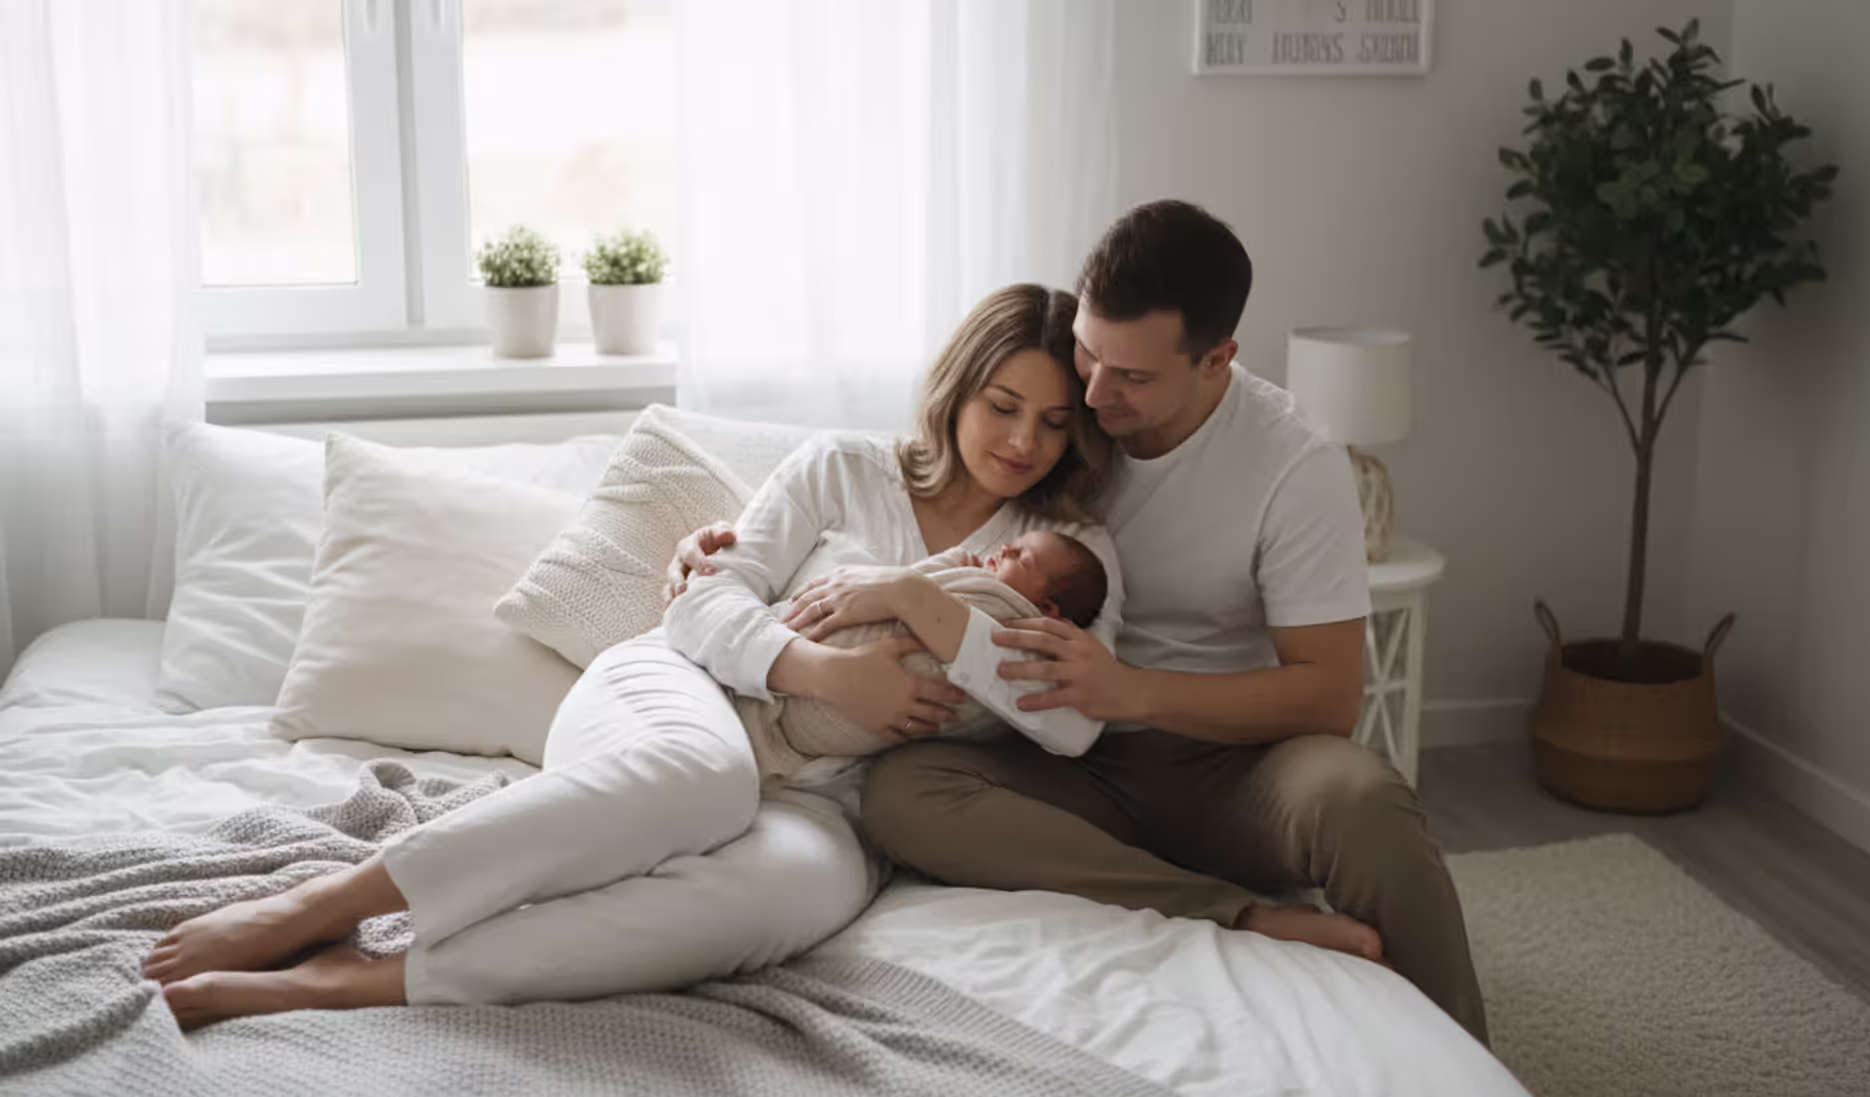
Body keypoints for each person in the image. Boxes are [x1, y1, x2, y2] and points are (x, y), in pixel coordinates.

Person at [140, 282, 1370, 1030]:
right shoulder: (841, 466)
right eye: (1003, 404)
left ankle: (356, 981)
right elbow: (699, 603)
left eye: (1054, 420)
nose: (1023, 439)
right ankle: (331, 901)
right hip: (672, 700)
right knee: (706, 781)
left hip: (831, 801)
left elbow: (1065, 726)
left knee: (775, 900)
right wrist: (819, 671)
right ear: (957, 389)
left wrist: (923, 610)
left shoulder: (1073, 548)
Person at [675, 201, 1490, 1044]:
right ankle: (1238, 915)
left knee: (1361, 797)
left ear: (1217, 360)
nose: (1094, 394)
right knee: (908, 793)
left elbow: (1328, 698)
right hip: (1069, 762)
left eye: (1131, 376)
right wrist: (708, 552)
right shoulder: (1061, 424)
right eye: (1089, 355)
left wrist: (1132, 690)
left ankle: (1469, 1053)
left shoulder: (1292, 463)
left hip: (1229, 767)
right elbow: (910, 472)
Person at [746, 529, 1111, 780]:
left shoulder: (1011, 623)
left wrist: (949, 564)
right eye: (1011, 544)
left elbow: (911, 580)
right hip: (782, 668)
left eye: (1021, 557)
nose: (1003, 549)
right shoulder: (973, 591)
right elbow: (891, 586)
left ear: (1046, 608)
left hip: (800, 692)